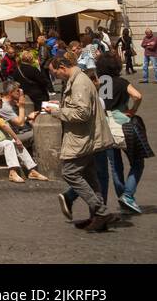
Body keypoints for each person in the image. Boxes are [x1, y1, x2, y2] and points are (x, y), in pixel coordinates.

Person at [52, 52, 116, 230]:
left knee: (70, 172)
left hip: (84, 137)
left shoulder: (79, 82)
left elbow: (82, 113)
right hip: (86, 137)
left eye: (55, 73)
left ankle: (100, 211)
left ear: (62, 67)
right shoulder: (77, 80)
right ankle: (97, 218)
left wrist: (57, 112)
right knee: (90, 176)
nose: (55, 77)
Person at [95, 52, 150, 215]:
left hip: (106, 126)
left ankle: (123, 197)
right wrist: (133, 110)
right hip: (122, 125)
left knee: (115, 166)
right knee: (137, 162)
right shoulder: (121, 82)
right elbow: (137, 96)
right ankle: (127, 195)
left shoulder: (101, 83)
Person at [0, 90, 47, 183]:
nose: (2, 102)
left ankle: (32, 170)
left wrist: (16, 139)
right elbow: (3, 125)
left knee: (14, 143)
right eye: (0, 100)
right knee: (9, 143)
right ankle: (12, 172)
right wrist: (16, 138)